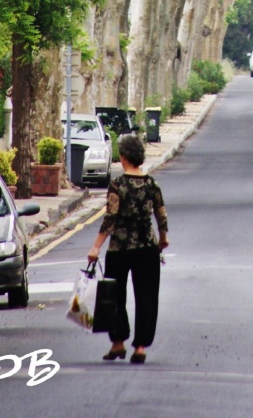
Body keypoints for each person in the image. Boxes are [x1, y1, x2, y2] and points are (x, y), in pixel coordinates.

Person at [88, 133, 169, 364]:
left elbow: (110, 218)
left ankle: (118, 343)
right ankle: (140, 347)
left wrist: (95, 247)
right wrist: (163, 238)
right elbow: (161, 215)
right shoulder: (152, 184)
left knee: (116, 296)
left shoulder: (118, 185)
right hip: (147, 247)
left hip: (120, 248)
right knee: (147, 297)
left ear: (123, 157)